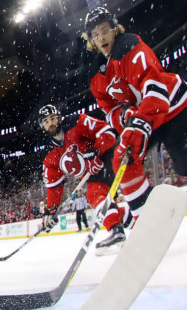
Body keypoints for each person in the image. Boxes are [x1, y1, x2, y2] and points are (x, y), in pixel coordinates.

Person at [83, 7, 187, 222]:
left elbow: (154, 89)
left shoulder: (132, 48)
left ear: (116, 29)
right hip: (143, 120)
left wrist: (139, 122)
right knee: (123, 160)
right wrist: (126, 117)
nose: (101, 37)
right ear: (91, 40)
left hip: (171, 112)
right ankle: (147, 218)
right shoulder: (97, 74)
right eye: (95, 34)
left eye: (105, 30)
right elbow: (110, 109)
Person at [38, 104, 146, 254]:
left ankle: (117, 232)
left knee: (94, 193)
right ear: (42, 126)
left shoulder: (77, 122)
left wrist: (96, 151)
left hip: (108, 157)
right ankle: (137, 221)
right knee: (104, 205)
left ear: (59, 118)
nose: (50, 123)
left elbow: (107, 132)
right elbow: (53, 186)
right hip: (93, 174)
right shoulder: (50, 155)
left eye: (52, 118)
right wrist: (51, 212)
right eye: (46, 121)